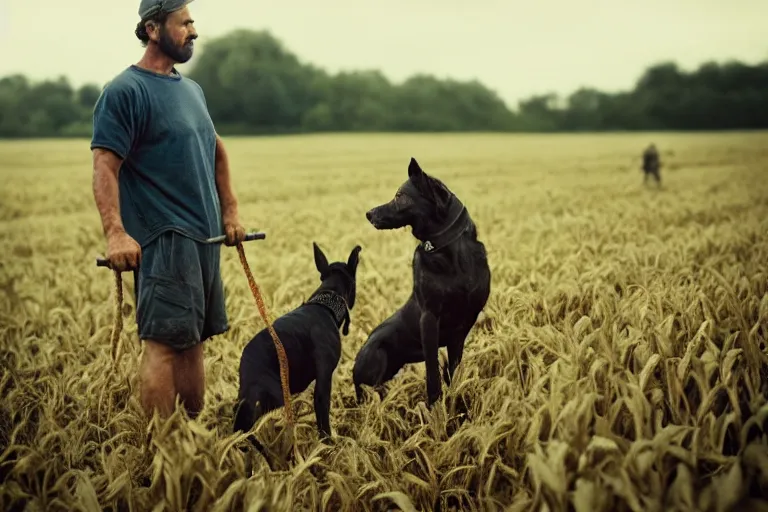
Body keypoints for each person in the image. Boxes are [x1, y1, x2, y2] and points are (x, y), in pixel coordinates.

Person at [90, 0, 246, 420]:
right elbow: (105, 166)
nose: (193, 30)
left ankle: (189, 444)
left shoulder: (190, 89)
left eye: (193, 21)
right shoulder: (125, 92)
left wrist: (229, 212)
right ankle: (160, 450)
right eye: (184, 23)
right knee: (163, 344)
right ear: (153, 28)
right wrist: (116, 234)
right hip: (165, 239)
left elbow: (216, 150)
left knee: (193, 340)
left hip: (204, 238)